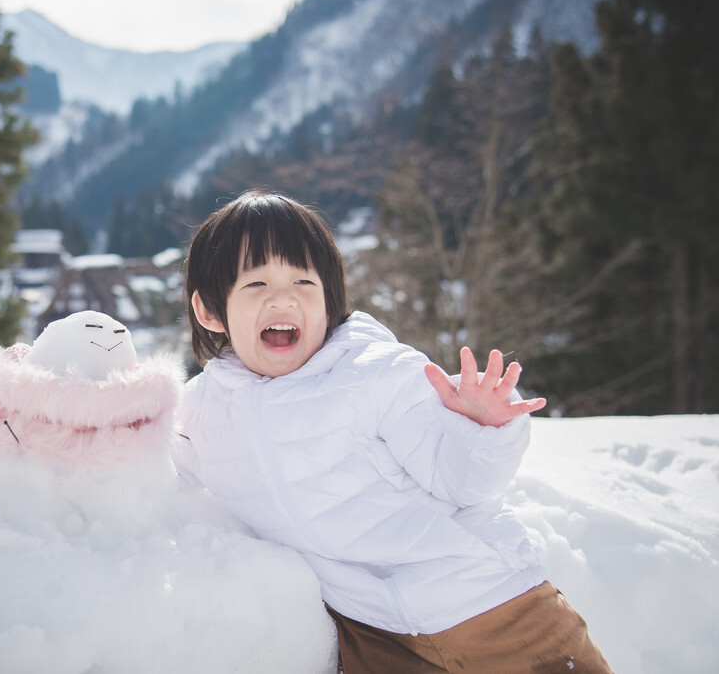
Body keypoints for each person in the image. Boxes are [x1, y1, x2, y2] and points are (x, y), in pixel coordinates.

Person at [173, 190, 613, 673]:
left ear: (330, 300)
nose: (285, 297)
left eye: (304, 280)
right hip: (371, 631)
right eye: (256, 283)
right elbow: (157, 467)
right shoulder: (203, 410)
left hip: (488, 604)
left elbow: (460, 481)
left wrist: (479, 429)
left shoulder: (377, 373)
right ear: (210, 310)